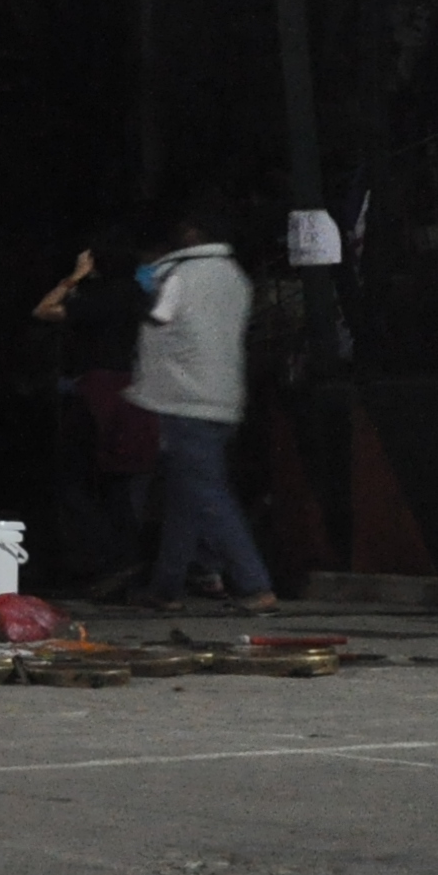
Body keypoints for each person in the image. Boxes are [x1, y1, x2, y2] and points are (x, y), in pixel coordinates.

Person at [129, 197, 274, 614]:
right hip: (224, 395)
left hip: (185, 396)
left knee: (207, 493)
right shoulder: (235, 276)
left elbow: (160, 317)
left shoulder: (181, 274)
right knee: (185, 495)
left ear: (193, 233)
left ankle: (253, 584)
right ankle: (166, 586)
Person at [34, 235, 156, 590]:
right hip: (137, 393)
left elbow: (44, 310)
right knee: (120, 482)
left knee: (76, 481)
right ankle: (126, 559)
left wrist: (74, 277)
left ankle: (106, 557)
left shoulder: (99, 298)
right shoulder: (142, 298)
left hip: (98, 393)